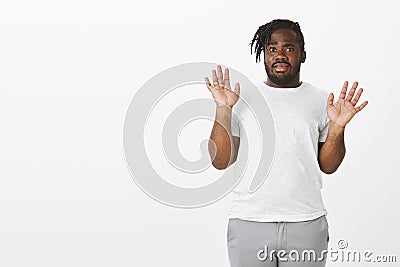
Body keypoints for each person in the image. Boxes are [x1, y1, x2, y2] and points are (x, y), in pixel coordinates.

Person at [204, 19, 368, 267]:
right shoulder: (242, 99)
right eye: (272, 48)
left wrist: (338, 126)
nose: (280, 55)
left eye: (289, 48)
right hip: (250, 221)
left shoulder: (322, 101)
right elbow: (220, 161)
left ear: (302, 55)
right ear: (264, 55)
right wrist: (223, 109)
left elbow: (328, 166)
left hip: (306, 222)